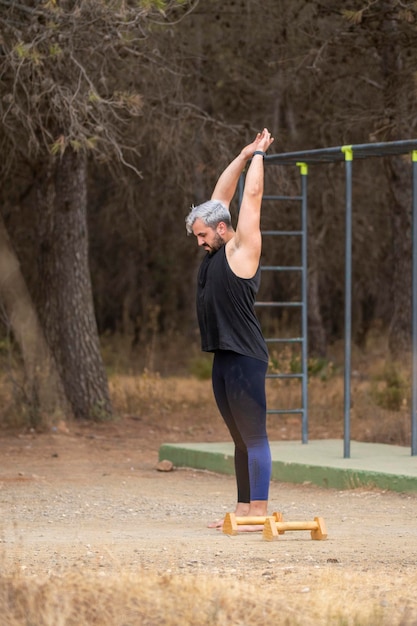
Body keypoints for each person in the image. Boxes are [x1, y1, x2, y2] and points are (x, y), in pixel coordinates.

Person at [185, 128, 274, 531]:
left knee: (254, 437)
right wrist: (240, 156)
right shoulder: (216, 237)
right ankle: (242, 509)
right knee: (240, 439)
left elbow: (249, 199)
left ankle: (259, 510)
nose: (199, 242)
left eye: (203, 235)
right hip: (223, 357)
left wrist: (258, 156)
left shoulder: (241, 250)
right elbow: (219, 198)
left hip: (246, 357)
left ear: (222, 231)